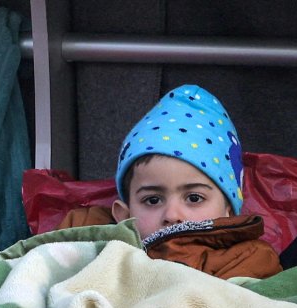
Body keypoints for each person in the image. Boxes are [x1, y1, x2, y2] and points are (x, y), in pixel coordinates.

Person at [60, 84, 283, 280]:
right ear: (123, 214)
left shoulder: (249, 259)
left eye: (194, 198)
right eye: (153, 200)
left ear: (228, 210)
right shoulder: (86, 236)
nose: (172, 215)